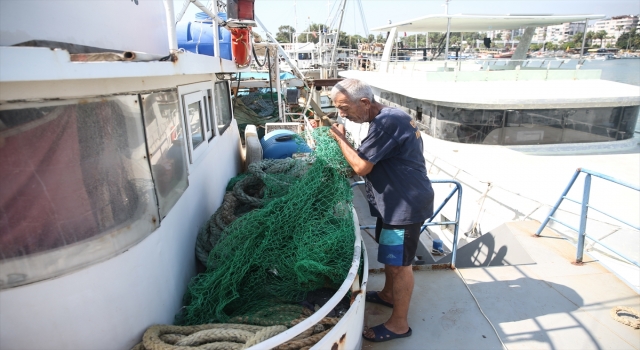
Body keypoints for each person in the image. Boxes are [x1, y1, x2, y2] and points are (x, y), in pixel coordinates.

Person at [329, 78, 434, 343]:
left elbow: (362, 167)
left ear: (364, 102)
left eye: (344, 107)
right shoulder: (387, 118)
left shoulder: (387, 123)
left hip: (403, 207)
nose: (342, 114)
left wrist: (340, 138)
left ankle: (399, 325)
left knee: (399, 266)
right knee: (390, 257)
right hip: (393, 205)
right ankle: (388, 295)